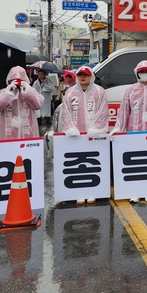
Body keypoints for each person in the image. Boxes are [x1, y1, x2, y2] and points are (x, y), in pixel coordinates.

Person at [111, 60, 147, 204]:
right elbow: (124, 111)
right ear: (137, 73)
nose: (144, 74)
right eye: (141, 72)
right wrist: (118, 128)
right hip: (134, 132)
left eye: (146, 71)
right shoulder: (130, 90)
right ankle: (135, 191)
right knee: (136, 161)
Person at [62, 65, 109, 206]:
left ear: (91, 76)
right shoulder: (70, 93)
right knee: (79, 165)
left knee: (94, 164)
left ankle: (93, 191)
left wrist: (97, 129)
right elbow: (65, 114)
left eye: (86, 75)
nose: (83, 77)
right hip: (77, 137)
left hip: (95, 137)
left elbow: (103, 112)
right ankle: (79, 192)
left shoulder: (99, 92)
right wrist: (70, 129)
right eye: (81, 75)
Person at [0, 66, 44, 141]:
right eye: (13, 80)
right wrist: (7, 94)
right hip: (8, 134)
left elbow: (38, 105)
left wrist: (28, 93)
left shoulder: (31, 91)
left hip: (28, 134)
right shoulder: (4, 92)